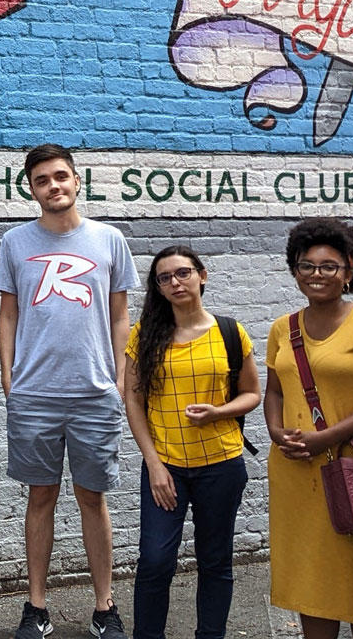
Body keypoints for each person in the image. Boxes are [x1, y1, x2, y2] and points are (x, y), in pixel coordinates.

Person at [0, 144, 136, 639]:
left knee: (93, 499)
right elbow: (9, 314)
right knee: (41, 497)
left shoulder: (109, 240)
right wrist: (8, 377)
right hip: (34, 394)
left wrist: (120, 379)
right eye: (42, 180)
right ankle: (36, 607)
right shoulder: (14, 242)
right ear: (31, 189)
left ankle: (105, 606)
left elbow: (121, 317)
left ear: (77, 181)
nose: (53, 186)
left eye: (61, 177)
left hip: (95, 394)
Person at [264, 218, 353, 638]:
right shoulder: (282, 328)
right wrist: (275, 430)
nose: (317, 275)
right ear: (295, 272)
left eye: (329, 266)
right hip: (295, 471)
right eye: (306, 266)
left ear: (349, 271)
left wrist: (326, 437)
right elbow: (275, 391)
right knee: (311, 575)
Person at [123, 246, 261, 639]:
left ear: (202, 275)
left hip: (221, 464)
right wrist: (153, 464)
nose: (174, 283)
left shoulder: (229, 332)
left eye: (182, 273)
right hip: (165, 468)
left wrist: (219, 413)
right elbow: (132, 398)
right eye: (164, 278)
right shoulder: (145, 335)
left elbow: (252, 393)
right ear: (158, 288)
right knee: (154, 561)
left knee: (216, 561)